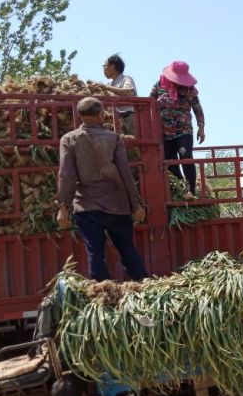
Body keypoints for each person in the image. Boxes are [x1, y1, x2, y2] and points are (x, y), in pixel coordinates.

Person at [56, 97, 147, 282]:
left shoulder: (69, 139)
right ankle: (144, 287)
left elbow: (66, 175)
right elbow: (125, 173)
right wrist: (136, 204)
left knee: (95, 252)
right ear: (100, 114)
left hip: (87, 206)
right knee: (127, 249)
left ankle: (103, 294)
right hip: (117, 204)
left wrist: (63, 207)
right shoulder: (113, 138)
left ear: (80, 116)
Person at [150, 61, 206, 198]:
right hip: (164, 132)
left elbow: (198, 110)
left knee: (185, 156)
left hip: (184, 131)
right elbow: (149, 103)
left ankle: (191, 190)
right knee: (170, 161)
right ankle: (181, 188)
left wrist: (201, 128)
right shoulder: (159, 85)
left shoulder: (189, 90)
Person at [100, 54, 137, 135]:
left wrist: (107, 88)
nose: (103, 70)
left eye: (104, 66)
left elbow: (130, 93)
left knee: (131, 144)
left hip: (127, 118)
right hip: (114, 120)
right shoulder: (109, 84)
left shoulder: (126, 79)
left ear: (112, 66)